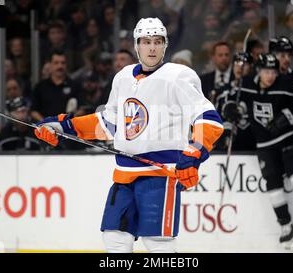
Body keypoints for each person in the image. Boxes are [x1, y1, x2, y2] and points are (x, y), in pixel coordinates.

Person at [33, 17, 224, 253]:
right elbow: (108, 124)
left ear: (165, 45)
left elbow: (208, 118)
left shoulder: (178, 76)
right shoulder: (123, 77)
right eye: (146, 41)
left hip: (160, 175)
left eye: (157, 41)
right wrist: (63, 127)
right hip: (124, 176)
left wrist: (194, 152)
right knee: (114, 238)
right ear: (137, 45)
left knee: (157, 243)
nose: (152, 47)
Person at [222, 53, 293, 249]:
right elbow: (233, 103)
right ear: (259, 71)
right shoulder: (247, 84)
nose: (270, 76)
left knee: (292, 166)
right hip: (265, 142)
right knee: (272, 182)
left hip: (290, 135)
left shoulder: (288, 84)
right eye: (266, 71)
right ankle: (285, 225)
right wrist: (232, 110)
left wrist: (290, 118)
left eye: (273, 71)